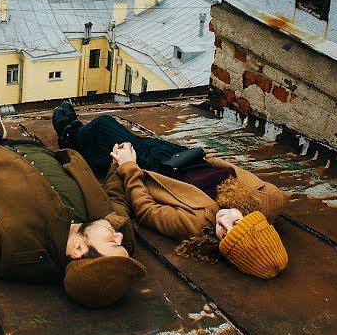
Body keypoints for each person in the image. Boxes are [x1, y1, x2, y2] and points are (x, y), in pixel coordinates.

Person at [0, 93, 147, 308]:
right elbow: (116, 198)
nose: (120, 236)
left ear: (78, 250)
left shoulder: (15, 247)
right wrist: (120, 164)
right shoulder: (109, 225)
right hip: (35, 150)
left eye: (113, 242)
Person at [53, 102, 289, 279]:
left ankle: (70, 133)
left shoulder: (197, 225)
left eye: (224, 237)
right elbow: (232, 169)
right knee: (105, 145)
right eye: (235, 223)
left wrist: (129, 167)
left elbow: (146, 210)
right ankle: (80, 137)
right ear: (256, 219)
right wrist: (204, 156)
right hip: (186, 155)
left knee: (106, 127)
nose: (223, 223)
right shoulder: (269, 198)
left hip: (159, 168)